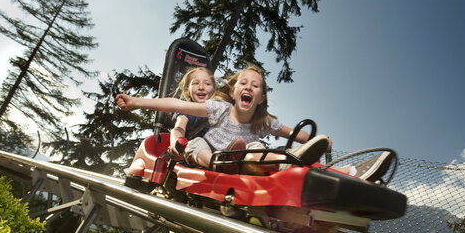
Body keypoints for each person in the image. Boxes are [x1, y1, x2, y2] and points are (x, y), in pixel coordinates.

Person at [116, 64, 330, 171]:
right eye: (243, 83)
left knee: (256, 147)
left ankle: (290, 161)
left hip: (241, 160)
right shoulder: (219, 109)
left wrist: (319, 142)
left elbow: (296, 135)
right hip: (209, 157)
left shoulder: (263, 121)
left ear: (261, 98)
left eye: (255, 86)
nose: (249, 87)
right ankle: (218, 164)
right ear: (233, 92)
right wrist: (135, 101)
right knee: (196, 143)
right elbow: (177, 108)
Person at [126, 67, 216, 170]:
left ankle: (225, 163)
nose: (201, 87)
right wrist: (176, 144)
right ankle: (217, 165)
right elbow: (178, 128)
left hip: (215, 154)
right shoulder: (187, 112)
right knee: (197, 143)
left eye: (207, 84)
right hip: (188, 158)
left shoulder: (218, 112)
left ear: (214, 90)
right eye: (195, 83)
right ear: (187, 90)